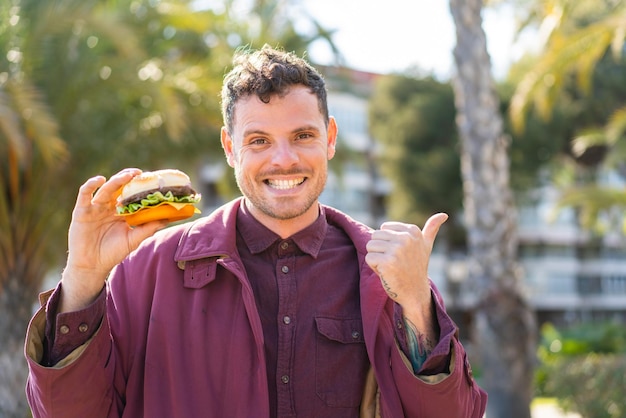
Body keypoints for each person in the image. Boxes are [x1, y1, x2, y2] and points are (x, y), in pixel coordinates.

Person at [24, 45, 487, 417]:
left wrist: (416, 307)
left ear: (329, 138)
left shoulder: (388, 274)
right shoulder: (145, 268)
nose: (283, 159)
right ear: (230, 147)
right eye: (259, 140)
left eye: (303, 136)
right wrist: (83, 275)